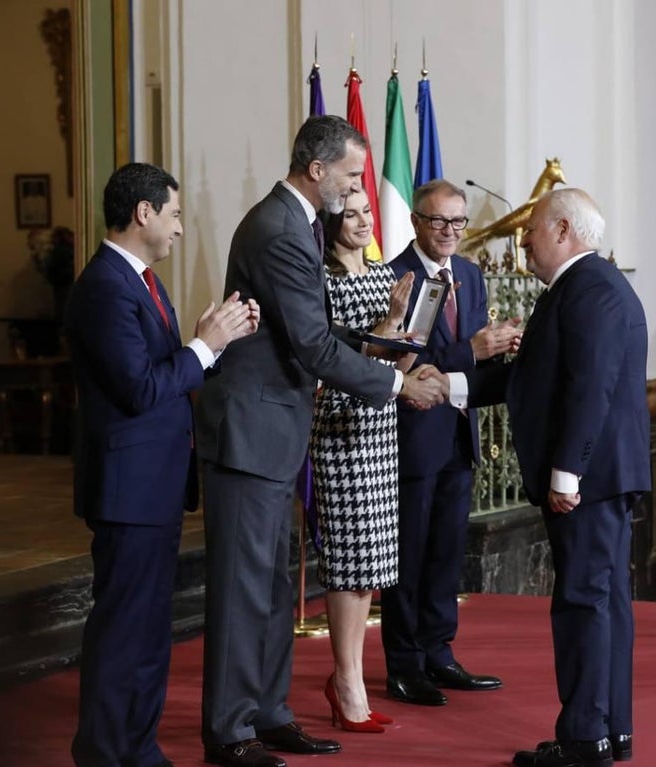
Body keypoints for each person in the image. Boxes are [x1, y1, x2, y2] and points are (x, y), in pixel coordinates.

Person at [193, 115, 446, 767]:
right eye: (352, 173)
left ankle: (270, 712)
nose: (357, 186)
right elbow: (310, 342)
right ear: (317, 169)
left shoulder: (297, 221)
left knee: (277, 587)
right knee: (244, 589)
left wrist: (384, 346)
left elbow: (312, 333)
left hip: (275, 430)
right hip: (250, 432)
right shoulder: (280, 227)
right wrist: (395, 386)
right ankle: (228, 729)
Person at [427, 188, 648, 767]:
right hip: (601, 477)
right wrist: (448, 387)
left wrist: (567, 473)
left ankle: (584, 739)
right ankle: (607, 731)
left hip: (590, 481)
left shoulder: (591, 289)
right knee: (603, 603)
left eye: (532, 232)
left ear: (563, 231)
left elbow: (589, 388)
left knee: (582, 603)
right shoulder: (579, 288)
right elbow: (533, 377)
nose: (522, 241)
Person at [65, 162, 260, 767]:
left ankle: (138, 749)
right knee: (123, 632)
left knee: (151, 634)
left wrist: (212, 344)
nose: (180, 228)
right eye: (174, 214)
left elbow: (168, 373)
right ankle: (102, 752)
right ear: (143, 213)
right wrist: (205, 346)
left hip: (156, 485)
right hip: (127, 490)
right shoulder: (103, 286)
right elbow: (139, 389)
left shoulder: (145, 281)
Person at [381, 179, 521, 706]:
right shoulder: (395, 277)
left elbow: (476, 360)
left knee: (445, 554)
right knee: (409, 556)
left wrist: (499, 349)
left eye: (459, 222)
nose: (450, 232)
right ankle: (404, 664)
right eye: (439, 221)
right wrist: (471, 348)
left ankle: (439, 653)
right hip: (413, 435)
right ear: (417, 221)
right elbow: (404, 362)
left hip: (458, 435)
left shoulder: (469, 274)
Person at [309, 189, 415, 732]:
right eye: (349, 215)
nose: (361, 222)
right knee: (346, 561)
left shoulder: (381, 275)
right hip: (337, 426)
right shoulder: (320, 282)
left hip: (379, 426)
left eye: (366, 212)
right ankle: (346, 679)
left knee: (369, 564)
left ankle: (349, 674)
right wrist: (387, 330)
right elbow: (328, 359)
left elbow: (391, 349)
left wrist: (404, 331)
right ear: (329, 223)